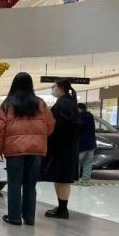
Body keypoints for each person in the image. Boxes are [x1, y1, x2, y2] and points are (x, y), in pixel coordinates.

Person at [0, 73, 55, 226]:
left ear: (14, 85)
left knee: (14, 184)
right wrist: (39, 138)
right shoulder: (40, 104)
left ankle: (14, 217)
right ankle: (29, 217)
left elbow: (0, 128)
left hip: (14, 150)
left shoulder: (7, 104)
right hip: (36, 150)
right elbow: (50, 124)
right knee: (30, 185)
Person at [41, 79, 82, 219]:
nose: (53, 89)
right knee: (59, 178)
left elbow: (64, 124)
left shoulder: (65, 103)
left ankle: (63, 209)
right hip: (64, 147)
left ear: (61, 88)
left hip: (63, 148)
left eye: (55, 86)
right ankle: (61, 206)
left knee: (63, 178)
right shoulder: (66, 102)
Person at [78, 103, 97, 185]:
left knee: (77, 163)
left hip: (82, 144)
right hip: (91, 144)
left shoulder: (79, 116)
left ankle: (76, 179)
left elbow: (78, 130)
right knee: (88, 163)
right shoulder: (91, 116)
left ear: (79, 109)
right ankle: (85, 180)